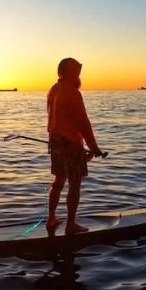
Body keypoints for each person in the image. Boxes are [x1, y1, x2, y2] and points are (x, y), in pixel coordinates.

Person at [46, 57, 102, 234]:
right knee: (74, 183)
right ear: (71, 73)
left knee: (58, 181)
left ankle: (51, 218)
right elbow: (83, 122)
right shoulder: (72, 92)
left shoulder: (53, 90)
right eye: (77, 72)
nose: (79, 75)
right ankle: (71, 224)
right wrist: (93, 147)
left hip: (55, 141)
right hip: (70, 143)